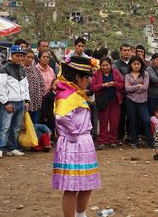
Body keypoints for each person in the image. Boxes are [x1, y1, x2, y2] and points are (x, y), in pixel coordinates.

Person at [52, 56, 100, 217]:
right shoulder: (67, 95)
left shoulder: (75, 93)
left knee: (87, 183)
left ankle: (81, 214)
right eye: (86, 77)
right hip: (73, 142)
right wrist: (74, 134)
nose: (88, 80)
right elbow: (61, 117)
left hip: (82, 141)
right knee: (71, 186)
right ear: (77, 77)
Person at [0, 45, 30, 158]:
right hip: (9, 102)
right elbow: (0, 88)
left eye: (21, 56)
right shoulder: (4, 69)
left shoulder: (22, 69)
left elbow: (25, 86)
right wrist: (5, 103)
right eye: (17, 55)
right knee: (4, 127)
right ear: (11, 56)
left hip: (21, 102)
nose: (20, 58)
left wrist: (27, 100)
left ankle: (12, 148)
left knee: (16, 128)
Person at [90, 57, 124, 150]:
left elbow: (122, 84)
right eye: (103, 65)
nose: (105, 67)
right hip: (103, 101)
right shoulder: (97, 74)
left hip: (114, 100)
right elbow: (93, 87)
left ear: (110, 65)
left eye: (107, 65)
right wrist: (102, 85)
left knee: (114, 121)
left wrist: (114, 84)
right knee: (103, 121)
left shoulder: (116, 73)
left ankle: (113, 139)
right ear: (100, 66)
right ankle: (102, 140)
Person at [124, 55, 153, 149]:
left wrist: (134, 87)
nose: (136, 66)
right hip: (130, 101)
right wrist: (138, 85)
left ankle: (150, 141)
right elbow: (127, 89)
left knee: (146, 121)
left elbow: (145, 87)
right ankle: (134, 141)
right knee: (133, 121)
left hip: (142, 101)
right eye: (134, 64)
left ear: (141, 64)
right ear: (131, 65)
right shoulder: (127, 75)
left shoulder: (145, 74)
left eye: (138, 64)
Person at [22, 49, 45, 123]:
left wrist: (39, 95)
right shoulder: (20, 69)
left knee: (34, 124)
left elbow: (42, 83)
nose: (30, 59)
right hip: (24, 103)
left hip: (35, 102)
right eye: (28, 57)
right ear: (23, 57)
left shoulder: (34, 68)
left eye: (32, 57)